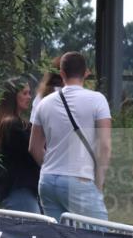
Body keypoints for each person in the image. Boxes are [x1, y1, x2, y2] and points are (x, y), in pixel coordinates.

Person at [29, 51, 111, 222]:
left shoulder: (43, 103)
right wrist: (99, 182)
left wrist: (50, 168)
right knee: (98, 234)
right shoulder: (97, 100)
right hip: (79, 178)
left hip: (48, 180)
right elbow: (105, 145)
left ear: (62, 74)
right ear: (86, 73)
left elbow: (34, 147)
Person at [0, 78, 41, 213]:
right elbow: (33, 149)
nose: (29, 97)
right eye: (24, 93)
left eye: (29, 93)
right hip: (19, 190)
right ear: (12, 96)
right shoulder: (12, 125)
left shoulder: (12, 123)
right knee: (31, 229)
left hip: (21, 190)